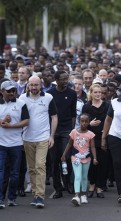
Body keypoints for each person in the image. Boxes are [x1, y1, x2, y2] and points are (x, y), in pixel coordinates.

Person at [19, 76, 58, 208]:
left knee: (40, 165)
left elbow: (54, 117)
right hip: (27, 138)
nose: (34, 87)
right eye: (32, 85)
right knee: (32, 168)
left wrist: (51, 136)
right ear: (28, 85)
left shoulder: (48, 98)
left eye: (36, 85)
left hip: (43, 137)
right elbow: (19, 118)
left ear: (41, 85)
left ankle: (40, 196)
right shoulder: (22, 99)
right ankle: (35, 194)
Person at [0, 80, 30, 208]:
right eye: (9, 91)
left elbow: (26, 121)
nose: (12, 93)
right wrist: (2, 121)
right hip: (1, 143)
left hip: (16, 144)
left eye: (13, 91)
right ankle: (1, 199)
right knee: (1, 172)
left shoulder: (21, 104)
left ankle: (12, 198)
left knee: (15, 173)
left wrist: (11, 125)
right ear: (2, 92)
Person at [48, 70, 77, 198]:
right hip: (53, 131)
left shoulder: (72, 93)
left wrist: (72, 131)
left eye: (67, 78)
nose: (65, 81)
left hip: (66, 130)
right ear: (56, 80)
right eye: (63, 79)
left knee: (67, 159)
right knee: (54, 161)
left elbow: (73, 114)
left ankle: (69, 184)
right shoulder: (49, 94)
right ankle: (57, 189)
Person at [61, 113, 98, 206]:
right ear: (79, 121)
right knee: (77, 176)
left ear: (89, 122)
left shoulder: (90, 134)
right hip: (76, 157)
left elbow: (93, 147)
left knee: (84, 176)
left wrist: (95, 158)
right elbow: (69, 144)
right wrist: (64, 154)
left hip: (86, 158)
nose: (84, 123)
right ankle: (76, 195)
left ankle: (83, 195)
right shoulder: (74, 132)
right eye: (82, 121)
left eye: (86, 121)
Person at [82, 84, 110, 198]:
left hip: (103, 138)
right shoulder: (86, 106)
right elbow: (82, 124)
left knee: (103, 163)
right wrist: (90, 124)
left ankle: (100, 187)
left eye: (100, 92)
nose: (98, 94)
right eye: (96, 92)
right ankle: (92, 185)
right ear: (91, 93)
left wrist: (106, 130)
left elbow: (111, 120)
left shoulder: (107, 106)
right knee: (92, 163)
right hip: (90, 139)